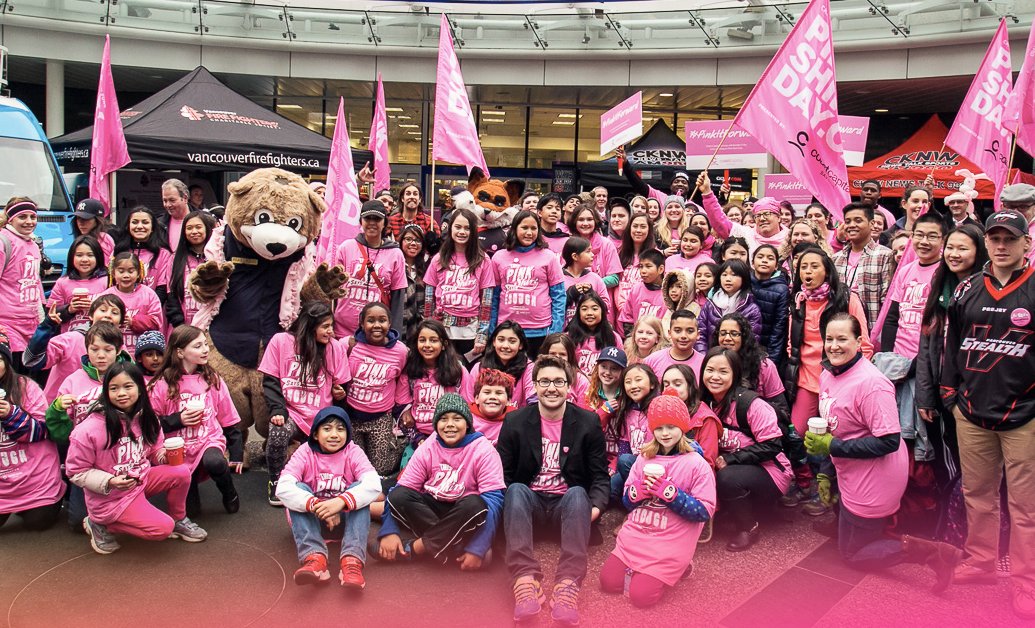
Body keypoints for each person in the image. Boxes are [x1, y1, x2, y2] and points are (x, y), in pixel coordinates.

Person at [808, 313, 960, 591]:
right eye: (829, 339)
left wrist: (831, 446)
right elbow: (835, 428)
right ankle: (855, 526)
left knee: (851, 554)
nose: (834, 346)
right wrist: (826, 473)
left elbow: (889, 441)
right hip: (850, 470)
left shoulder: (872, 384)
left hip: (875, 478)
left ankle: (933, 552)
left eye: (842, 339)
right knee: (848, 534)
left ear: (859, 342)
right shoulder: (828, 373)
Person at [941, 210, 1035, 619]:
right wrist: (950, 394)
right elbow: (952, 345)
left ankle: (1027, 581)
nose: (1001, 245)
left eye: (1009, 239)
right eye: (994, 238)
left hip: (1024, 416)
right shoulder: (968, 289)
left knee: (1026, 506)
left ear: (1026, 243)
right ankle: (981, 561)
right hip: (972, 411)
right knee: (977, 494)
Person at [499, 355, 609, 625]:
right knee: (515, 490)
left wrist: (594, 509)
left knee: (578, 493)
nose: (551, 388)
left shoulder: (588, 422)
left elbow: (600, 476)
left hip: (568, 507)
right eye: (545, 381)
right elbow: (502, 475)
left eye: (558, 382)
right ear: (535, 385)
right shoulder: (514, 421)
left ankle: (567, 585)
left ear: (569, 386)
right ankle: (524, 580)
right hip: (530, 504)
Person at [66, 363, 205, 554]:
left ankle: (179, 519)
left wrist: (165, 455)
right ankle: (99, 523)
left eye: (128, 386)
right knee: (162, 529)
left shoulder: (147, 418)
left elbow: (154, 451)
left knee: (181, 471)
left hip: (140, 481)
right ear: (106, 392)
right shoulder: (88, 430)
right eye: (114, 388)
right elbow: (75, 472)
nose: (121, 393)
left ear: (140, 388)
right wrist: (110, 481)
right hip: (111, 498)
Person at [600, 390, 715, 608]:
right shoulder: (644, 458)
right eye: (659, 428)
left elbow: (704, 511)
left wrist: (671, 494)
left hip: (670, 541)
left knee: (641, 597)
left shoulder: (696, 463)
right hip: (637, 535)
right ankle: (643, 571)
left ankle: (679, 567)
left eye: (671, 427)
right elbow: (627, 500)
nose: (665, 433)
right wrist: (638, 492)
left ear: (683, 427)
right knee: (608, 583)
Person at [376, 394, 504, 570]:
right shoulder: (429, 445)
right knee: (399, 495)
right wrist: (389, 530)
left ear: (468, 424)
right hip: (433, 508)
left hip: (463, 515)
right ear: (436, 424)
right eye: (443, 419)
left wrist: (477, 547)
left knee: (476, 503)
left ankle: (415, 549)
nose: (450, 424)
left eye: (457, 419)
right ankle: (455, 548)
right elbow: (402, 488)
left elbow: (494, 501)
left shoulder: (483, 450)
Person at [915, 225, 987, 519]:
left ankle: (971, 520)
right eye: (951, 248)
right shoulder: (940, 286)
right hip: (939, 392)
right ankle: (951, 517)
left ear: (978, 252)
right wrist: (924, 397)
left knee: (976, 465)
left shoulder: (986, 290)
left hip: (973, 394)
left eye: (963, 248)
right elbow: (925, 347)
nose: (954, 255)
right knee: (946, 458)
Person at [276, 406, 380, 589]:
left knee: (360, 489)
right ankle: (315, 558)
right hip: (312, 523)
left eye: (340, 429)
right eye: (327, 429)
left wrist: (341, 502)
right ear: (316, 434)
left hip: (346, 523)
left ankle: (352, 562)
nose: (334, 435)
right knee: (299, 488)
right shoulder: (305, 452)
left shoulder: (353, 451)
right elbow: (283, 488)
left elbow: (373, 484)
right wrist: (318, 506)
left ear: (348, 434)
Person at [259, 302, 351, 506]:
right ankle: (276, 482)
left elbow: (342, 386)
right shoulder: (281, 341)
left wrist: (339, 394)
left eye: (332, 325)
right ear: (310, 326)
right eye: (325, 326)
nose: (331, 331)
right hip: (291, 411)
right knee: (278, 431)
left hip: (321, 415)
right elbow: (270, 380)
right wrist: (278, 409)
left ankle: (327, 483)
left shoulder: (335, 347)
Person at [700, 348, 792, 551]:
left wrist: (732, 459)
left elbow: (772, 445)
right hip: (736, 467)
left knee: (727, 477)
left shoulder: (750, 404)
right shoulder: (704, 402)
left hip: (770, 471)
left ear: (735, 374)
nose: (715, 377)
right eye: (710, 370)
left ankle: (748, 527)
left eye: (723, 371)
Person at [149, 325, 243, 518]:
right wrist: (178, 419)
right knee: (192, 513)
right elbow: (150, 424)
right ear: (180, 352)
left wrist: (236, 453)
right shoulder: (161, 384)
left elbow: (228, 418)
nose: (205, 350)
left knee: (215, 462)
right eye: (198, 346)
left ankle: (229, 491)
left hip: (208, 440)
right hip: (178, 448)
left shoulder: (212, 379)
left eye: (205, 344)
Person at [881, 212, 945, 459]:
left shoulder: (945, 272)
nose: (924, 241)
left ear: (943, 239)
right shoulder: (906, 270)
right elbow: (892, 317)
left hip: (927, 365)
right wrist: (888, 358)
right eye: (919, 235)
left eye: (932, 236)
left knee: (927, 429)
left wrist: (917, 365)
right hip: (898, 363)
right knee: (898, 428)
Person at [0, 328, 63, 531]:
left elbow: (44, 430)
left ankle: (46, 501)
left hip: (34, 477)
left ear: (7, 361)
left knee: (38, 522)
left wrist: (11, 414)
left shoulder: (26, 386)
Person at [344, 302, 409, 477]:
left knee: (381, 468)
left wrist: (402, 408)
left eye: (382, 320)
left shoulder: (401, 351)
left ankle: (400, 444)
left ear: (390, 323)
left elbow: (403, 378)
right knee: (356, 467)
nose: (377, 325)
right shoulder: (349, 345)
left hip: (380, 417)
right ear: (362, 323)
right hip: (352, 416)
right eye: (371, 320)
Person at [490, 211, 565, 356]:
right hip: (507, 332)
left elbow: (559, 296)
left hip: (540, 331)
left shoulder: (549, 257)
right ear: (514, 229)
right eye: (524, 228)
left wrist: (555, 331)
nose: (529, 233)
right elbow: (493, 297)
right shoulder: (499, 257)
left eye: (534, 228)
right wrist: (492, 329)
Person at [424, 208, 494, 359]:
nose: (462, 232)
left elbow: (487, 301)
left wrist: (482, 335)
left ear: (473, 231)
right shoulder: (438, 259)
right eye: (458, 227)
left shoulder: (483, 260)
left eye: (467, 228)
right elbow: (429, 299)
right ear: (450, 229)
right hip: (442, 329)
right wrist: (428, 329)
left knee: (468, 370)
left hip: (470, 330)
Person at [333, 200, 407, 337]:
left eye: (377, 219)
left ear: (384, 223)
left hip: (377, 334)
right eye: (368, 218)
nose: (372, 222)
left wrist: (394, 336)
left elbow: (398, 298)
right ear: (361, 221)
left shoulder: (395, 254)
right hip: (342, 331)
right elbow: (333, 290)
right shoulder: (346, 248)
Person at [34, 295, 125, 401]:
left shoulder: (122, 350)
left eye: (115, 313)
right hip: (59, 405)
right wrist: (47, 326)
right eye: (103, 310)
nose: (108, 315)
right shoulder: (71, 339)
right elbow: (34, 360)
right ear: (91, 315)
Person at [401, 319, 471, 445]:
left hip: (451, 435)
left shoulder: (458, 371)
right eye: (422, 340)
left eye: (433, 340)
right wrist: (418, 439)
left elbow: (467, 406)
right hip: (418, 435)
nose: (427, 345)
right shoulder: (410, 370)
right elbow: (402, 409)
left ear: (444, 344)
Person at [832, 203, 894, 329]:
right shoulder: (836, 258)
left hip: (872, 329)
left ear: (871, 224)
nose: (851, 225)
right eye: (848, 221)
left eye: (858, 220)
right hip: (840, 329)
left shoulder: (885, 255)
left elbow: (887, 301)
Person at [0, 198, 45, 370]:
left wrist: (42, 317)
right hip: (7, 324)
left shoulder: (33, 244)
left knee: (27, 378)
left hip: (31, 324)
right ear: (11, 219)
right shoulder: (3, 241)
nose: (29, 221)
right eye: (22, 217)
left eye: (33, 217)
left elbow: (36, 281)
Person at [697, 172, 787, 254]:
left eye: (767, 214)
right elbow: (720, 222)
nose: (762, 219)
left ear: (779, 217)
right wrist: (707, 193)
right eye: (758, 215)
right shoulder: (746, 234)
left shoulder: (790, 238)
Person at [100, 252, 164, 356]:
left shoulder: (149, 294)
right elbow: (98, 323)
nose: (126, 275)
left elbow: (156, 321)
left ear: (139, 273)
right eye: (121, 271)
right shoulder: (106, 296)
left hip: (141, 353)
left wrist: (133, 321)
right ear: (113, 273)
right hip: (114, 352)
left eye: (131, 271)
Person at [46, 235, 110, 335]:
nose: (84, 259)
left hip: (102, 337)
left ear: (98, 257)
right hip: (70, 338)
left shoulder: (108, 281)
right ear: (72, 257)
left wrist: (98, 307)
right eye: (79, 255)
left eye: (90, 255)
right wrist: (69, 309)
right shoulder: (63, 282)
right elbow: (51, 313)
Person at [660, 364, 721, 467]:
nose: (670, 389)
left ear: (690, 386)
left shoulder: (706, 419)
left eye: (677, 384)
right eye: (666, 385)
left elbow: (707, 463)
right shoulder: (660, 414)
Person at [695, 259, 762, 353]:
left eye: (734, 275)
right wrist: (705, 356)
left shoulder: (751, 309)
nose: (728, 279)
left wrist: (734, 359)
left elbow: (752, 341)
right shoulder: (710, 304)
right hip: (711, 357)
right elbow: (700, 334)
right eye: (724, 274)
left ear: (744, 278)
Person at [163, 211, 216, 328]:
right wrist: (179, 324)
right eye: (189, 228)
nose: (194, 231)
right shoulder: (175, 259)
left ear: (207, 229)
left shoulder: (217, 257)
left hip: (212, 325)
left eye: (198, 227)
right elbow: (171, 295)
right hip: (183, 326)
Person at [470, 321, 530, 408]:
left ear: (520, 345)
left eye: (512, 341)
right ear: (494, 342)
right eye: (501, 340)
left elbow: (533, 401)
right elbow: (469, 400)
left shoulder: (529, 368)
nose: (505, 346)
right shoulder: (479, 367)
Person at [114, 206, 173, 294]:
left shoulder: (163, 254)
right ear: (128, 226)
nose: (139, 226)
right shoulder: (118, 251)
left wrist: (149, 302)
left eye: (145, 222)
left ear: (152, 227)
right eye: (135, 222)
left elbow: (162, 288)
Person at [616, 212, 659, 324]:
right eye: (635, 226)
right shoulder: (619, 253)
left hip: (643, 315)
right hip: (619, 314)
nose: (638, 230)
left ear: (649, 230)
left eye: (643, 226)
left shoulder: (655, 256)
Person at [751, 244, 790, 367]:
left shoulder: (782, 289)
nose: (764, 260)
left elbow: (779, 326)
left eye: (770, 258)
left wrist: (772, 359)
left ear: (776, 266)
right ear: (752, 262)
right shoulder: (745, 281)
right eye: (760, 257)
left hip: (766, 347)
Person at [566, 292, 620, 378]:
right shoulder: (569, 337)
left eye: (594, 309)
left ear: (602, 311)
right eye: (584, 309)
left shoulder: (614, 337)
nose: (589, 313)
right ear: (578, 312)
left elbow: (619, 366)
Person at [568, 204, 622, 288]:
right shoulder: (568, 245)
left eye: (589, 219)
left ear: (595, 221)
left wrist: (591, 284)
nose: (585, 223)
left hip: (600, 294)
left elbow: (615, 278)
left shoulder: (606, 244)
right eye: (581, 219)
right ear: (574, 222)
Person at [561, 237, 610, 327]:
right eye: (588, 251)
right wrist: (569, 295)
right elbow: (552, 307)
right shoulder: (559, 279)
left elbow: (606, 307)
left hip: (591, 331)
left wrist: (592, 296)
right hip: (565, 331)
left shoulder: (595, 279)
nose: (592, 255)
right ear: (575, 256)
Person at [642, 310, 703, 381]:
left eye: (690, 331)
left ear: (698, 335)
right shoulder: (651, 361)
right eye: (677, 331)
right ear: (669, 333)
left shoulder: (704, 364)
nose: (683, 336)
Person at [618, 249, 667, 337]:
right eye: (641, 266)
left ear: (661, 269)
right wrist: (632, 339)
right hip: (638, 340)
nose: (643, 271)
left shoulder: (669, 292)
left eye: (648, 266)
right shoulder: (636, 289)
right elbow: (627, 319)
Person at [469, 368, 515, 446]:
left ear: (508, 400)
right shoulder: (467, 420)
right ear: (476, 398)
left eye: (499, 393)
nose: (492, 397)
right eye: (487, 392)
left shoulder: (515, 422)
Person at [399, 223, 428, 343]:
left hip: (419, 327)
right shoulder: (396, 266)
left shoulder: (426, 268)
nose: (413, 243)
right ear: (401, 241)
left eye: (417, 240)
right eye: (408, 239)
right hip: (398, 323)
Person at [70, 199, 114, 265]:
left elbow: (104, 266)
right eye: (78, 218)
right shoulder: (79, 239)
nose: (81, 223)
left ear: (97, 220)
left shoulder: (104, 238)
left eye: (86, 219)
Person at [999, 184, 1035, 262]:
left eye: (1022, 207)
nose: (1015, 212)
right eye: (1010, 207)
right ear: (1001, 207)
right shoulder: (994, 229)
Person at [158, 179, 191, 252]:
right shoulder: (159, 224)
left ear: (185, 198)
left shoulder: (203, 221)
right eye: (165, 201)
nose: (168, 205)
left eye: (172, 200)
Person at [538, 193, 570, 258]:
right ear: (539, 213)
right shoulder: (533, 237)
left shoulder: (567, 241)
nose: (554, 211)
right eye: (549, 208)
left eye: (557, 209)